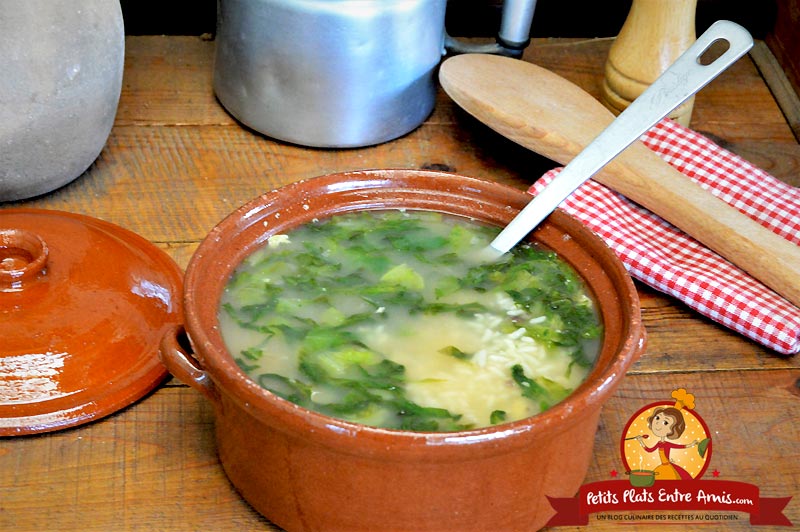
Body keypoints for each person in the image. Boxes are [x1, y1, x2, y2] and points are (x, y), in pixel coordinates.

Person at [635, 406, 699, 480]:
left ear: (672, 430)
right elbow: (649, 450)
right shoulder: (659, 443)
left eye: (665, 422)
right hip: (662, 466)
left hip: (668, 467)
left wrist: (691, 444)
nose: (658, 424)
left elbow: (680, 446)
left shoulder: (667, 444)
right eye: (657, 418)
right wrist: (640, 441)